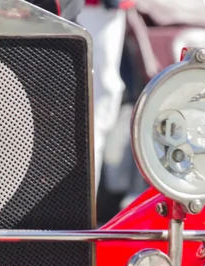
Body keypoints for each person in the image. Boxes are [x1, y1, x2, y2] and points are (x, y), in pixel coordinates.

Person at [77, 0, 135, 190]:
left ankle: (83, 207)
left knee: (94, 110)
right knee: (91, 108)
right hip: (82, 10)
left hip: (98, 10)